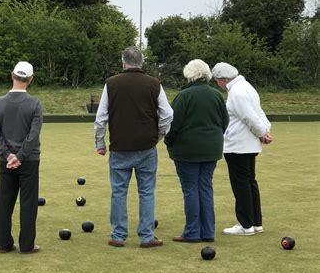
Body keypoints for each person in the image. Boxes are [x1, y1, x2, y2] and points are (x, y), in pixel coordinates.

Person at [94, 46, 173, 248]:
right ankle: (146, 236)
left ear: (123, 62)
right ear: (141, 62)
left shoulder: (111, 84)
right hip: (147, 146)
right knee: (146, 191)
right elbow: (167, 114)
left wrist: (100, 142)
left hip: (120, 146)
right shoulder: (154, 84)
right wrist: (159, 134)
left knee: (118, 191)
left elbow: (101, 117)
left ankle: (118, 235)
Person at [164, 60, 229, 243]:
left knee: (190, 189)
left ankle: (192, 232)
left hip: (187, 152)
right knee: (205, 188)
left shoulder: (184, 96)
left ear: (189, 74)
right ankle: (208, 231)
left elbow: (172, 125)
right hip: (211, 150)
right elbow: (224, 122)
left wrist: (169, 142)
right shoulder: (216, 95)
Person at [212, 62, 272, 236]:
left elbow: (251, 117)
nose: (218, 84)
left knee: (241, 184)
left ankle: (245, 225)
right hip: (248, 144)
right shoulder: (247, 87)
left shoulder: (237, 92)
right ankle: (256, 222)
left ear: (223, 79)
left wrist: (262, 133)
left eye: (217, 81)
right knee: (250, 182)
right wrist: (266, 131)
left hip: (238, 145)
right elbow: (260, 114)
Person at [0, 61, 43, 254]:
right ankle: (27, 245)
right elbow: (33, 134)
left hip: (6, 161)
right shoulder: (35, 103)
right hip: (29, 160)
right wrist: (20, 156)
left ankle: (3, 244)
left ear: (12, 75)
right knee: (28, 203)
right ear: (30, 79)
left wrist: (7, 155)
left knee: (4, 201)